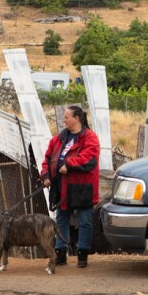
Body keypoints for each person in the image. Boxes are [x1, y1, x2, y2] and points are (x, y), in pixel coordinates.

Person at [40, 105, 100, 268]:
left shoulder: (90, 137)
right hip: (62, 187)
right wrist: (45, 175)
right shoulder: (59, 138)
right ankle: (60, 253)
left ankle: (82, 254)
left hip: (82, 188)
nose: (63, 119)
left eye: (66, 117)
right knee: (61, 220)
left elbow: (89, 157)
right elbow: (47, 158)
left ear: (76, 118)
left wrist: (69, 164)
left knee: (85, 221)